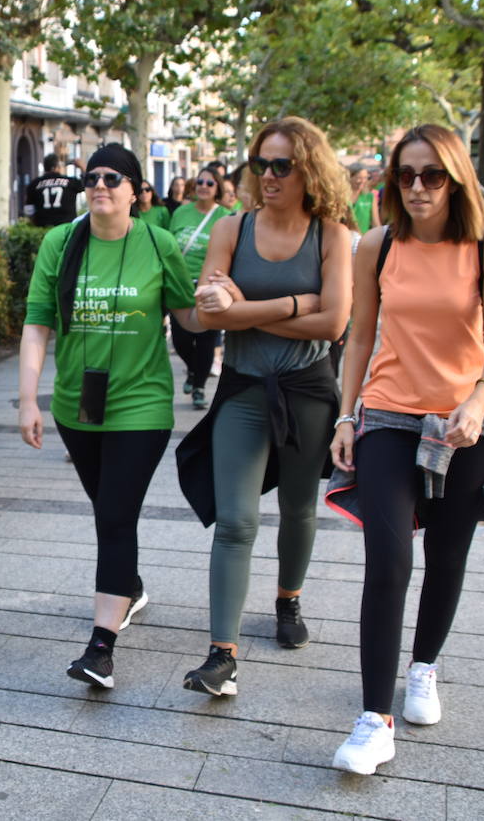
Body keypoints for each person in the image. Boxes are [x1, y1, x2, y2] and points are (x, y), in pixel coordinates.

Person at [325, 125, 484, 775]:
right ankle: (375, 720)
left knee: (447, 553)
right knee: (388, 559)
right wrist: (347, 417)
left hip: (467, 422)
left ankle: (423, 666)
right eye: (407, 174)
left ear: (456, 179)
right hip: (391, 418)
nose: (419, 187)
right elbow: (358, 338)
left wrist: (481, 399)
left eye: (433, 175)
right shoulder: (378, 245)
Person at [176, 116, 352, 698]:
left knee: (300, 509)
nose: (269, 176)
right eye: (261, 164)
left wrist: (248, 304)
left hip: (307, 389)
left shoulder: (330, 234)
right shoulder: (233, 228)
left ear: (309, 170)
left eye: (283, 165)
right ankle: (221, 654)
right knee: (236, 521)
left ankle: (288, 601)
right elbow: (206, 314)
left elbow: (335, 321)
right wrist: (296, 301)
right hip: (245, 390)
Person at [19, 144, 199, 690]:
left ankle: (101, 647)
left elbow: (188, 313)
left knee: (115, 517)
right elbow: (37, 324)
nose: (100, 185)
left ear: (136, 192)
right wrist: (30, 399)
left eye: (113, 178)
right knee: (110, 510)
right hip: (78, 405)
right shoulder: (60, 241)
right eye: (91, 176)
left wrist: (223, 300)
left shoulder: (158, 242)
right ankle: (129, 584)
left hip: (141, 405)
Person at [167, 168, 232, 409]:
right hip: (180, 284)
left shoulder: (226, 217)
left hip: (210, 286)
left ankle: (199, 388)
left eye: (210, 183)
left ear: (218, 188)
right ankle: (194, 371)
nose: (204, 186)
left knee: (206, 339)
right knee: (180, 339)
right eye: (200, 181)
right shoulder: (181, 213)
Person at [28, 154, 84, 228]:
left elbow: (29, 209)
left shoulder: (34, 184)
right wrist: (82, 167)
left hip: (42, 229)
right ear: (55, 168)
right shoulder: (70, 182)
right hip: (66, 228)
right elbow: (88, 183)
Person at [349, 165, 382, 233]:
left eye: (365, 178)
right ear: (350, 177)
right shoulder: (342, 197)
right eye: (359, 178)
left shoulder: (370, 197)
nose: (362, 181)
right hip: (345, 239)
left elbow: (375, 222)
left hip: (362, 239)